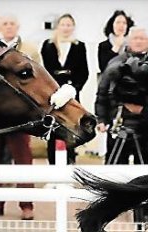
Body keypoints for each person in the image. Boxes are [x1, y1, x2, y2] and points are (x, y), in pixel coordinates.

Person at [0, 14, 38, 220]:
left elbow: (37, 80)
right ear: (0, 26)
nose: (9, 26)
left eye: (12, 23)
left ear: (17, 26)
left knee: (23, 159)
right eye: (5, 24)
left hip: (19, 115)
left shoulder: (29, 49)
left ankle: (26, 205)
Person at [94, 26, 148, 164]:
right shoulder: (115, 63)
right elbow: (102, 93)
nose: (138, 41)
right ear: (128, 41)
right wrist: (102, 119)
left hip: (147, 127)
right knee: (115, 169)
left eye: (142, 38)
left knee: (147, 169)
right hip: (118, 123)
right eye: (135, 38)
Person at [40, 13, 88, 164]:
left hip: (71, 94)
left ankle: (70, 161)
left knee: (71, 129)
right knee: (53, 129)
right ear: (58, 27)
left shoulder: (79, 46)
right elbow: (45, 70)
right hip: (53, 95)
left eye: (69, 25)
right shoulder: (47, 45)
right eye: (63, 24)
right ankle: (52, 163)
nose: (66, 28)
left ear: (73, 27)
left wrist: (73, 88)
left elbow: (84, 72)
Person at [97, 9, 134, 75]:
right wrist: (116, 47)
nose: (121, 25)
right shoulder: (103, 45)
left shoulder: (132, 46)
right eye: (118, 22)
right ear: (112, 25)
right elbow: (104, 68)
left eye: (124, 23)